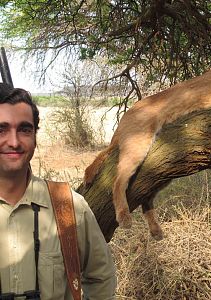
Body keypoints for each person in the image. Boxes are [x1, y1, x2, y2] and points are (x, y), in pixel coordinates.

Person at [0, 83, 117, 299]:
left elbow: (101, 277)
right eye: (1, 129)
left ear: (35, 137)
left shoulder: (68, 206)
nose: (14, 142)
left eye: (25, 129)